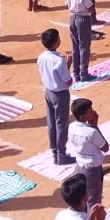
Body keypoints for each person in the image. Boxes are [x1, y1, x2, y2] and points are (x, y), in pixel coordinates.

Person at [37, 28, 75, 166]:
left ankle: (55, 153)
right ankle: (61, 155)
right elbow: (68, 81)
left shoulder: (41, 57)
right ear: (55, 43)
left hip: (49, 92)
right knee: (62, 124)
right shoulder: (59, 61)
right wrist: (68, 66)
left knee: (52, 123)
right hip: (60, 94)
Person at [67, 98, 109, 205]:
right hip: (93, 171)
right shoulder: (91, 132)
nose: (93, 112)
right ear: (82, 117)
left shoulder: (71, 127)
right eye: (90, 111)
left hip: (80, 167)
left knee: (85, 198)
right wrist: (95, 126)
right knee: (93, 200)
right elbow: (105, 147)